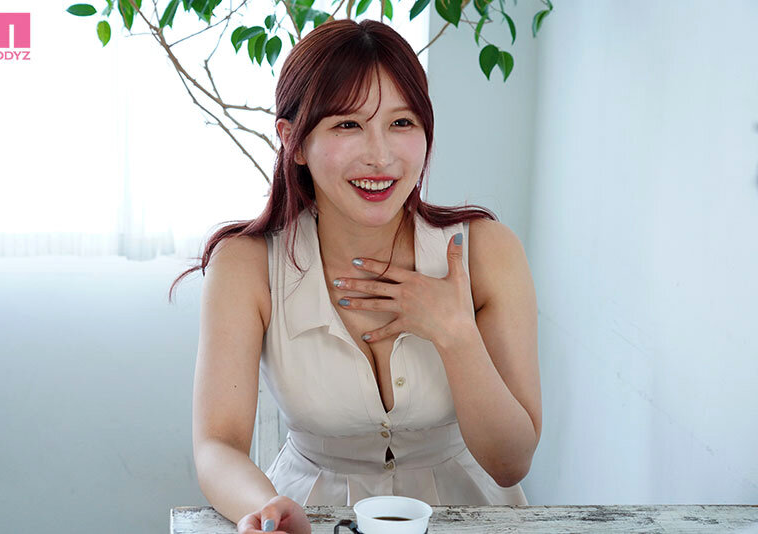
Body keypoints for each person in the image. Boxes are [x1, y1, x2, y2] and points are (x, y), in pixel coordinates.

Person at [170, 18, 541, 534]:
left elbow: (511, 463)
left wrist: (456, 334)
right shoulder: (245, 265)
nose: (380, 156)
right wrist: (266, 508)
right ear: (294, 142)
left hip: (472, 517)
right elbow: (217, 445)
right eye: (348, 125)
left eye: (401, 122)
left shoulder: (488, 251)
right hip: (309, 517)